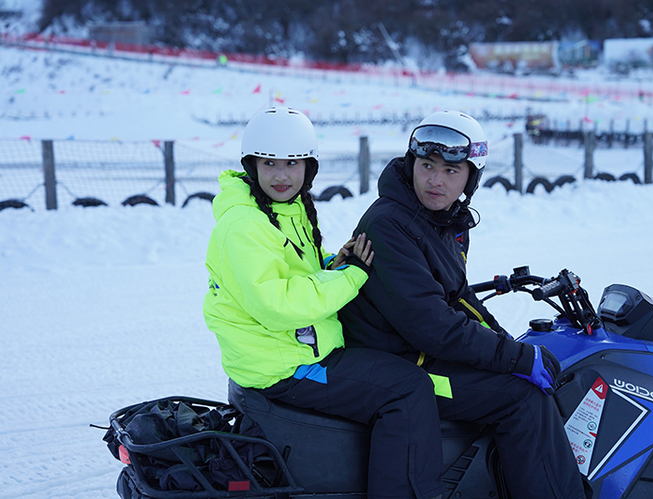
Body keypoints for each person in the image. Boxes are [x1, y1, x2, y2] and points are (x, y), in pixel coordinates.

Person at [339, 110, 587, 499]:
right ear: (411, 164)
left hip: (419, 352)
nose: (436, 180)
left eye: (452, 171)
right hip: (401, 364)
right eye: (427, 165)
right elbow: (432, 325)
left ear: (472, 177)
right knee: (523, 399)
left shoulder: (442, 221)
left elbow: (459, 298)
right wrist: (517, 360)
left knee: (519, 377)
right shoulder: (390, 224)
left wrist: (508, 345)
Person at [202, 106, 444, 499]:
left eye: (293, 164)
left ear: (308, 169)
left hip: (292, 351)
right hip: (284, 366)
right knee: (408, 387)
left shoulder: (284, 209)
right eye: (270, 163)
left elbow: (295, 272)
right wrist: (351, 276)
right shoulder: (244, 225)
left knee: (393, 367)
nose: (282, 175)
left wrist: (334, 264)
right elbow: (276, 304)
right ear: (252, 165)